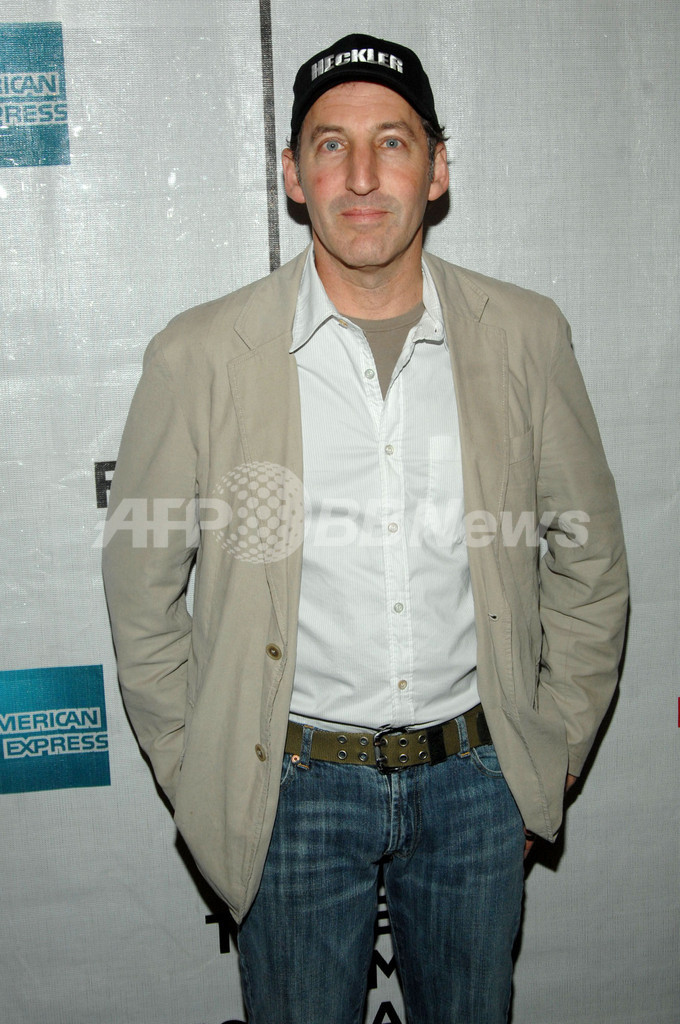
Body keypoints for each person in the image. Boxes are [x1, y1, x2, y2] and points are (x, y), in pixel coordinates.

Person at [102, 33, 628, 1024]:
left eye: (391, 142)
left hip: (477, 782)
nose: (359, 175)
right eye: (330, 144)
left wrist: (547, 754)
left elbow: (588, 559)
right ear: (291, 175)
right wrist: (198, 766)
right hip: (287, 790)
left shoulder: (526, 336)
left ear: (437, 168)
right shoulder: (199, 354)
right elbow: (142, 590)